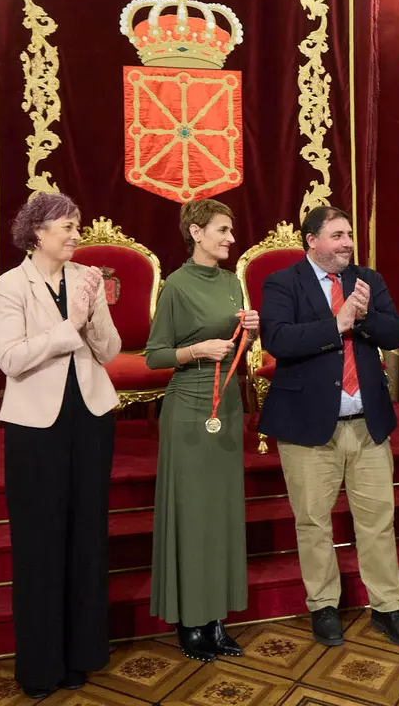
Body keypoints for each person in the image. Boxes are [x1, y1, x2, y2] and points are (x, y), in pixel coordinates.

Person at [257, 206, 399, 648]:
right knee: (313, 522)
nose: (348, 242)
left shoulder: (367, 280)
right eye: (337, 235)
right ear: (311, 240)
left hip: (367, 424)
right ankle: (324, 606)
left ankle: (387, 608)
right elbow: (278, 340)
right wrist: (337, 323)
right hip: (308, 426)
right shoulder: (282, 282)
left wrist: (362, 316)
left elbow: (396, 334)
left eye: (349, 234)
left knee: (378, 521)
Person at [0, 192, 122, 698]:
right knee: (41, 544)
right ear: (37, 232)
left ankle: (82, 655)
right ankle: (41, 666)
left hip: (90, 416)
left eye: (77, 225)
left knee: (87, 538)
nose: (75, 235)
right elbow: (10, 358)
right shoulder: (9, 286)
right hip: (35, 427)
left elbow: (109, 351)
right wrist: (69, 328)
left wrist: (96, 313)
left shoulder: (87, 277)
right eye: (66, 226)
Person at [145, 199, 260, 662]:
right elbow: (154, 355)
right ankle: (190, 620)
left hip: (227, 408)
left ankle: (215, 618)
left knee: (221, 516)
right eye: (223, 230)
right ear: (196, 232)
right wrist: (195, 351)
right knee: (192, 517)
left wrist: (248, 334)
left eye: (231, 231)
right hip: (190, 411)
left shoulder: (232, 282)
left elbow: (232, 351)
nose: (231, 239)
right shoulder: (176, 285)